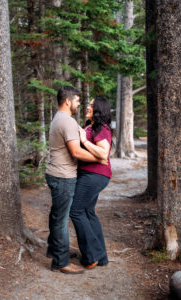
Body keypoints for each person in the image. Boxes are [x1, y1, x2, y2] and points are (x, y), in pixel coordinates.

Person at [45, 86, 106, 274]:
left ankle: (54, 250)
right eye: (78, 101)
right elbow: (76, 152)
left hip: (55, 173)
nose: (79, 105)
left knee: (57, 215)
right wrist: (100, 158)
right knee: (61, 219)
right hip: (63, 176)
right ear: (67, 101)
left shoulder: (58, 118)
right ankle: (61, 261)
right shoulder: (67, 121)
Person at [70, 96, 112, 269]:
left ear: (98, 109)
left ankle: (91, 255)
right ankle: (101, 257)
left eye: (90, 105)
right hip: (92, 175)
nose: (87, 107)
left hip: (94, 175)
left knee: (75, 211)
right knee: (88, 212)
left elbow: (103, 154)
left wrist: (85, 140)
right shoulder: (90, 127)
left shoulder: (101, 128)